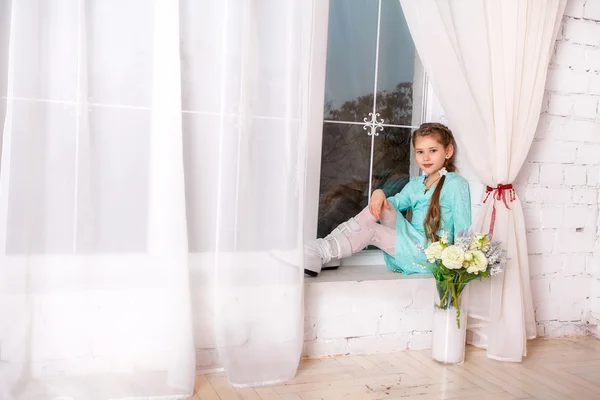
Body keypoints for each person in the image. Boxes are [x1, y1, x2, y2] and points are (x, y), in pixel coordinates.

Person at [304, 122, 472, 276]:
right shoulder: (416, 184)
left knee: (372, 230)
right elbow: (394, 203)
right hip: (411, 241)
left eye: (433, 151)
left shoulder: (455, 184)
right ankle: (326, 250)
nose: (426, 158)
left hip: (429, 254)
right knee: (382, 205)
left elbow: (463, 228)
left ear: (448, 151)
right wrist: (379, 193)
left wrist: (458, 265)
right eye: (420, 152)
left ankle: (325, 250)